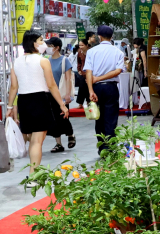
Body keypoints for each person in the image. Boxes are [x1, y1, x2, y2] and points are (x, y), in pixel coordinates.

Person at [6, 31, 69, 182]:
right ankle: (33, 176)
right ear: (33, 43)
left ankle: (32, 174)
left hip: (24, 101)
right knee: (37, 141)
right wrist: (62, 105)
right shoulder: (43, 61)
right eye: (41, 40)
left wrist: (9, 107)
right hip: (40, 99)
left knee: (32, 139)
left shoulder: (17, 62)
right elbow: (52, 85)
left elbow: (14, 87)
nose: (43, 43)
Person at [84, 25, 126, 155]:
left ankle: (102, 148)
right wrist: (100, 78)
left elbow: (88, 72)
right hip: (111, 87)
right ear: (112, 37)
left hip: (96, 88)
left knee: (98, 118)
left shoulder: (91, 52)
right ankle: (111, 147)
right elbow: (118, 71)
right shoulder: (118, 52)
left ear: (99, 36)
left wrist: (91, 90)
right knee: (111, 118)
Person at [45, 37, 76, 152]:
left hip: (62, 94)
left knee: (63, 117)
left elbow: (68, 79)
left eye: (50, 46)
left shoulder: (64, 60)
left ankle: (70, 134)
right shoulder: (47, 60)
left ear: (57, 47)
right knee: (53, 119)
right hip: (50, 94)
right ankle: (58, 143)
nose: (48, 48)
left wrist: (68, 94)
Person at [75, 38, 90, 108]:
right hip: (82, 73)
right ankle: (80, 103)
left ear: (86, 45)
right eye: (80, 45)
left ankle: (88, 102)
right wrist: (79, 70)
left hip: (89, 73)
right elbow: (79, 62)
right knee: (81, 87)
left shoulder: (91, 52)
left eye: (82, 45)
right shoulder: (79, 53)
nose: (80, 47)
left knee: (88, 87)